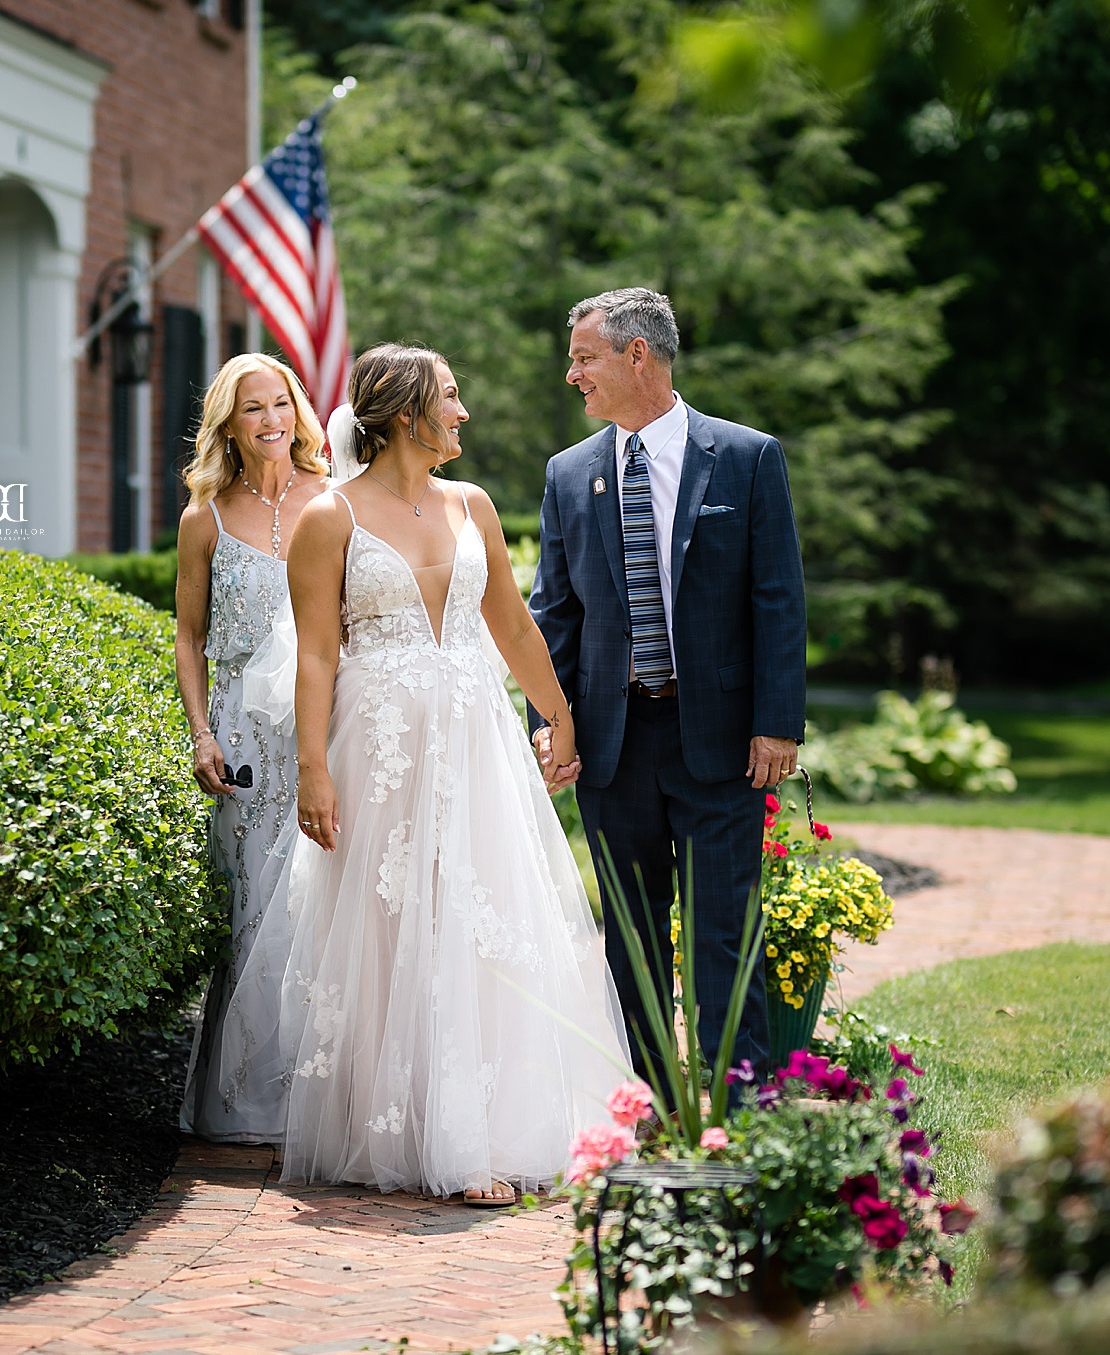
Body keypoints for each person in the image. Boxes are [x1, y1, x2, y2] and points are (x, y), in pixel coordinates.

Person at [272, 343, 628, 1205]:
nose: (463, 413)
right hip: (380, 743)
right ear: (404, 413)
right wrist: (311, 769)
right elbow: (317, 655)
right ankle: (406, 1124)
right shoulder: (329, 519)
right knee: (391, 926)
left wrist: (559, 712)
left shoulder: (471, 503)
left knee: (480, 915)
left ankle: (483, 1124)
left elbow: (512, 624)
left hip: (476, 737)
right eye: (451, 397)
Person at [529, 288, 807, 1083]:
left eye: (585, 357)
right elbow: (555, 612)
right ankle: (645, 1101)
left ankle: (738, 1104)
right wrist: (548, 723)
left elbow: (778, 597)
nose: (573, 374)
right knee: (631, 935)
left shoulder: (748, 457)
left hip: (719, 738)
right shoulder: (569, 473)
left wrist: (777, 721)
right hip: (615, 747)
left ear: (636, 353)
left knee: (724, 930)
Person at [175, 353, 333, 1143]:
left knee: (314, 906)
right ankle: (246, 1101)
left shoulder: (333, 502)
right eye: (252, 410)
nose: (272, 420)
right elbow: (189, 633)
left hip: (317, 733)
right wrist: (201, 731)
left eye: (281, 404)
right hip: (239, 739)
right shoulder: (203, 514)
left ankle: (318, 1098)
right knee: (251, 912)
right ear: (229, 426)